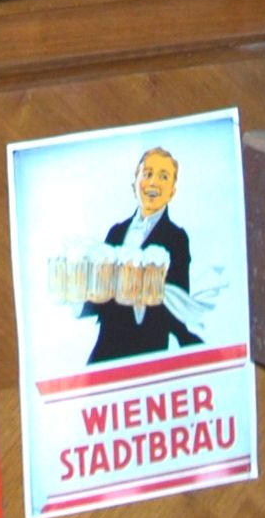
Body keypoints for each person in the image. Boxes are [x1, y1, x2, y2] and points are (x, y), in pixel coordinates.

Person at [79, 143, 202, 364]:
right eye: (147, 174)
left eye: (164, 176)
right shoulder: (116, 231)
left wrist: (185, 338)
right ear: (134, 183)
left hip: (147, 347)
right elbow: (98, 291)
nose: (154, 182)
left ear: (173, 191)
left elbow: (178, 300)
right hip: (107, 344)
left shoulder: (176, 238)